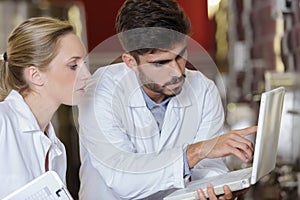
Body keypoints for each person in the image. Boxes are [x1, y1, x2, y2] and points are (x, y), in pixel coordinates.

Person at [78, 0, 256, 199]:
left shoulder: (203, 89)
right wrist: (196, 152)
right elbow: (122, 177)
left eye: (180, 56)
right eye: (161, 63)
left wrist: (218, 188)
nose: (177, 72)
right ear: (130, 62)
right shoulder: (100, 91)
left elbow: (208, 167)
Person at [0, 17, 90, 198]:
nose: (87, 75)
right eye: (73, 66)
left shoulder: (56, 146)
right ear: (35, 75)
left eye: (84, 64)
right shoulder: (3, 123)